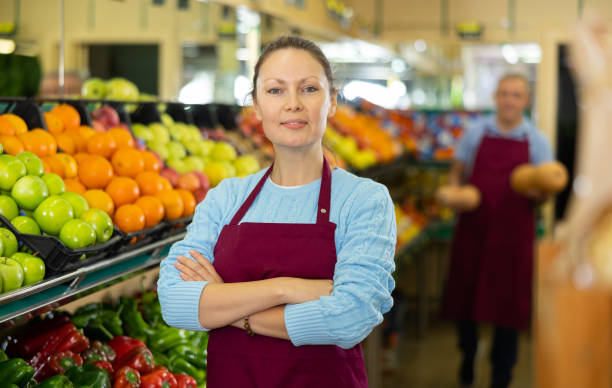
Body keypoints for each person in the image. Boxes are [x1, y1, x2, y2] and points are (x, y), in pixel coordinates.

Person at [157, 36, 396, 388]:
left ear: (331, 102)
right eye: (275, 91)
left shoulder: (364, 200)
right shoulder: (227, 198)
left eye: (309, 89)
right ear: (255, 106)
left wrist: (227, 306)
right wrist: (285, 288)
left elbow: (351, 316)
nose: (293, 104)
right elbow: (174, 301)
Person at [442, 73, 553, 388]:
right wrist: (453, 194)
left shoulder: (537, 141)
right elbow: (457, 173)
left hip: (513, 238)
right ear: (496, 98)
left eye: (516, 95)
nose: (509, 100)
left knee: (509, 307)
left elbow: (546, 190)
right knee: (466, 300)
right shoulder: (474, 134)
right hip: (473, 232)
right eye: (504, 94)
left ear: (526, 101)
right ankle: (467, 356)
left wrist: (539, 193)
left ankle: (501, 375)